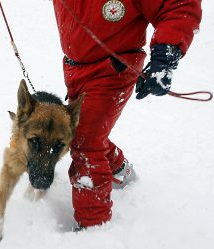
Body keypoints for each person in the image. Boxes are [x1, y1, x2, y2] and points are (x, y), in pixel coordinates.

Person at [52, 0, 202, 229]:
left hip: (114, 68)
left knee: (85, 140)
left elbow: (177, 5)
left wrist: (165, 55)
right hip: (75, 68)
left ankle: (93, 227)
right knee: (83, 131)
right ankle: (120, 170)